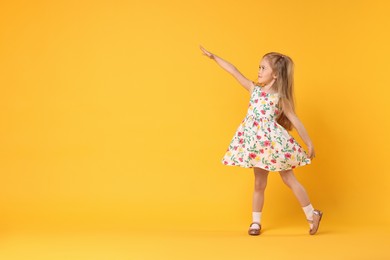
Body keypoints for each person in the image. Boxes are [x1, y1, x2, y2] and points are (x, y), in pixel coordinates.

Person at [200, 45, 323, 235]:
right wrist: (214, 57)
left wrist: (309, 143)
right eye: (259, 67)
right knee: (259, 183)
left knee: (289, 179)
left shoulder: (280, 98)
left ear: (275, 75)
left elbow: (295, 120)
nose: (259, 71)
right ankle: (255, 222)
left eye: (263, 68)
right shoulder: (253, 89)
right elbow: (233, 71)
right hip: (256, 144)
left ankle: (311, 213)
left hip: (273, 144)